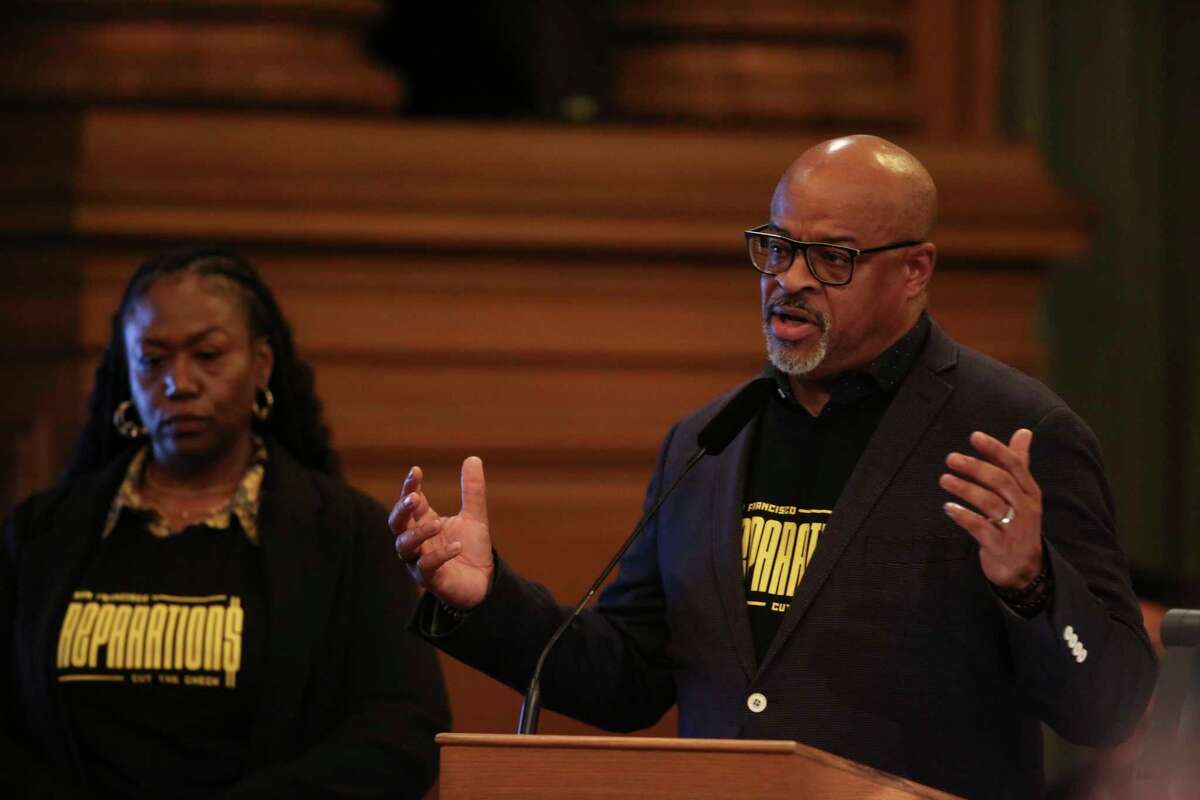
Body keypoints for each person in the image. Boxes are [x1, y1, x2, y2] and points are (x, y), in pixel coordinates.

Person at [391, 135, 1157, 799]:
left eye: (831, 258)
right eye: (777, 247)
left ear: (916, 270)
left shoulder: (1017, 433)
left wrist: (1033, 585)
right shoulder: (708, 441)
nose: (790, 279)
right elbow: (626, 678)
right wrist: (487, 600)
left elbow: (1111, 706)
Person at [1, 245, 450, 798]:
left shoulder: (343, 532)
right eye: (152, 359)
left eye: (208, 355)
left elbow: (405, 726)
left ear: (260, 365)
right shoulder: (42, 531)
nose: (178, 382)